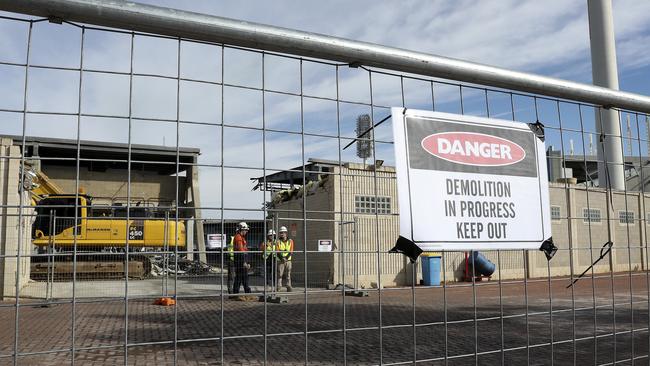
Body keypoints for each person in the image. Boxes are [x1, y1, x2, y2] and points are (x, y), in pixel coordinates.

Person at [232, 221, 251, 294]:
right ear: (241, 229)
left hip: (241, 260)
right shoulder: (238, 237)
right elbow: (241, 251)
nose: (246, 231)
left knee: (242, 277)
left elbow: (245, 250)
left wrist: (248, 262)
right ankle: (238, 293)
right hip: (240, 261)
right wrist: (244, 262)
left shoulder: (242, 238)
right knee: (240, 278)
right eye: (245, 230)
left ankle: (245, 292)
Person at [276, 226, 294, 292]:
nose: (281, 234)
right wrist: (282, 258)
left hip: (288, 260)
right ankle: (279, 287)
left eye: (283, 232)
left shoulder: (290, 241)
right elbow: (277, 251)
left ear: (286, 233)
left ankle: (288, 286)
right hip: (280, 260)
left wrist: (286, 258)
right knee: (280, 274)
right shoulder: (278, 241)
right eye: (280, 233)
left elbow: (291, 251)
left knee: (288, 274)